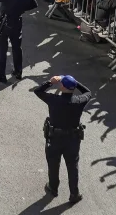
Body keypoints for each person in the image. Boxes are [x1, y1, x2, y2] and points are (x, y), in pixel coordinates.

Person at [34, 75, 91, 203]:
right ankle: (74, 194)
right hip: (72, 139)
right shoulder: (79, 101)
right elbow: (88, 92)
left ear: (61, 86)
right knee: (72, 166)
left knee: (53, 163)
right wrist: (76, 82)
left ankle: (53, 188)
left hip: (55, 138)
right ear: (73, 88)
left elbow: (37, 91)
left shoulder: (54, 99)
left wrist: (50, 82)